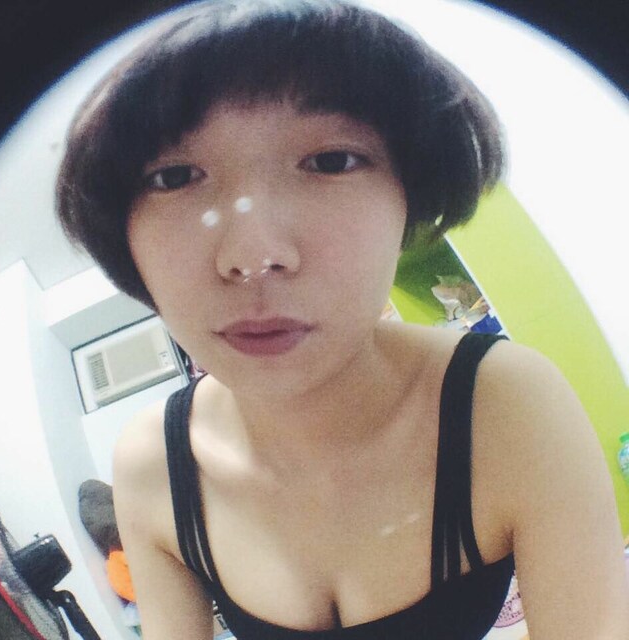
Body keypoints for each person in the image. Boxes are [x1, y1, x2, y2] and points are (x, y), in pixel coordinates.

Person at [55, 0, 629, 637]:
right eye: (175, 176)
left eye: (329, 161)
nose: (253, 256)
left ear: (409, 194)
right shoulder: (154, 466)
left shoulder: (504, 406)